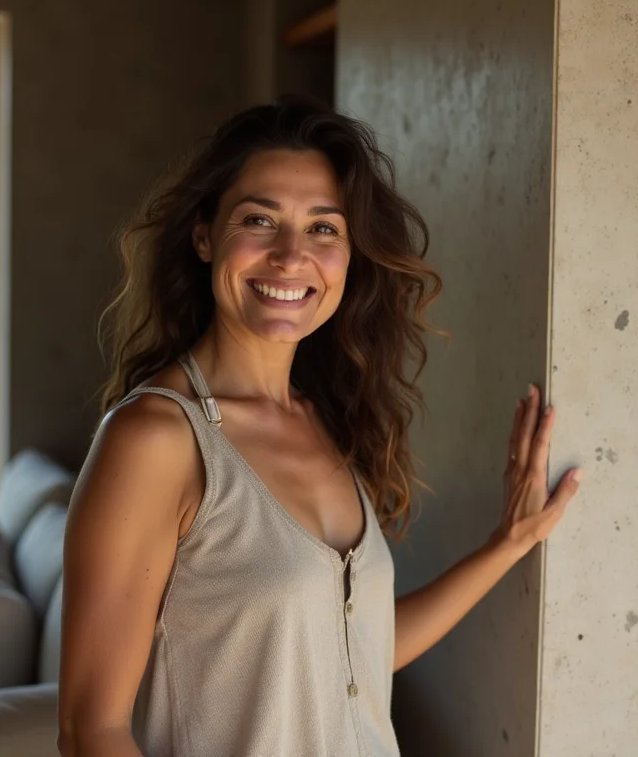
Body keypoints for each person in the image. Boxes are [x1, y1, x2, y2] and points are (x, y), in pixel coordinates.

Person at [56, 95, 583, 757]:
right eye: (259, 220)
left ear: (350, 255)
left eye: (324, 229)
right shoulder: (156, 439)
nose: (290, 255)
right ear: (204, 235)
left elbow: (353, 653)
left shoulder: (325, 420)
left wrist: (506, 544)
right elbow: (90, 730)